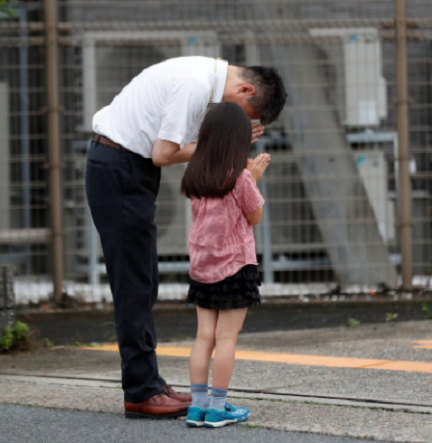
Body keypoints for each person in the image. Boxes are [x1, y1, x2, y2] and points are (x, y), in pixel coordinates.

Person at [85, 56, 287, 419]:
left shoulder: (200, 75)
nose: (238, 123)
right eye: (243, 115)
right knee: (134, 283)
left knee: (143, 280)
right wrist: (227, 146)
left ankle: (148, 381)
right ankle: (141, 391)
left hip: (125, 165)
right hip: (122, 167)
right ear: (245, 89)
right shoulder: (195, 85)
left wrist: (221, 143)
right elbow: (164, 153)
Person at [181, 102, 269, 428]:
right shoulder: (241, 178)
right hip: (234, 265)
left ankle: (197, 406)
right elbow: (254, 216)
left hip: (202, 266)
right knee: (227, 339)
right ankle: (218, 408)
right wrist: (253, 177)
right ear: (238, 140)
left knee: (204, 337)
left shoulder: (195, 174)